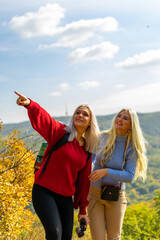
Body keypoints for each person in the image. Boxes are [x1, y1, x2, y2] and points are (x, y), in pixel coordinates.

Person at [14, 91, 100, 240]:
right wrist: (30, 104)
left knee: (66, 237)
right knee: (54, 233)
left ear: (90, 122)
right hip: (44, 191)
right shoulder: (61, 132)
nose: (80, 115)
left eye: (85, 114)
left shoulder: (86, 150)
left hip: (65, 197)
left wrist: (82, 210)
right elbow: (46, 120)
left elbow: (83, 182)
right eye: (77, 112)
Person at [88, 108, 148, 240]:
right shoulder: (102, 137)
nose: (119, 119)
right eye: (119, 116)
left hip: (116, 197)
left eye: (125, 118)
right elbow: (89, 159)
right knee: (97, 238)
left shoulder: (132, 147)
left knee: (114, 237)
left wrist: (106, 171)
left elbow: (129, 176)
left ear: (131, 126)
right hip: (94, 194)